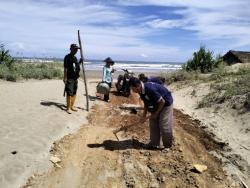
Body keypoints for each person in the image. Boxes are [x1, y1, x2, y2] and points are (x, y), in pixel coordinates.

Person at [129, 77, 173, 149]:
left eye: (132, 88)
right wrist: (144, 116)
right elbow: (146, 103)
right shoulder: (140, 90)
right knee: (153, 122)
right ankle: (154, 143)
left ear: (137, 86)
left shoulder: (150, 89)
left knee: (164, 124)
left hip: (165, 104)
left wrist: (156, 113)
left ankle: (167, 145)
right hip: (156, 103)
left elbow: (162, 102)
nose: (132, 90)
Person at [63, 43, 83, 114]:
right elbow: (65, 68)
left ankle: (72, 106)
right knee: (69, 92)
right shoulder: (67, 57)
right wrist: (64, 77)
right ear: (71, 49)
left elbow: (76, 67)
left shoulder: (75, 58)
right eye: (75, 49)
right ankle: (68, 108)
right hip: (70, 78)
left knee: (74, 92)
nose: (76, 51)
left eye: (77, 49)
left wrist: (79, 63)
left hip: (75, 78)